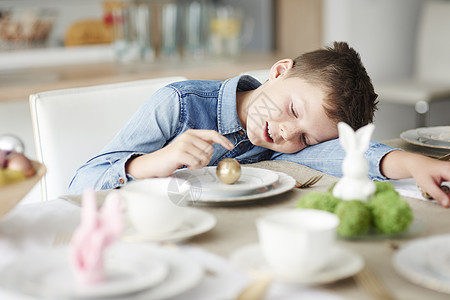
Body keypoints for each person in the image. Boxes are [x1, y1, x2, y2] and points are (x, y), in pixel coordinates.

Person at [68, 42, 450, 207]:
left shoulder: (286, 141)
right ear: (280, 71)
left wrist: (417, 164)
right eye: (293, 110)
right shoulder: (179, 105)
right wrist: (151, 163)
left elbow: (350, 153)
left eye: (305, 137)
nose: (287, 133)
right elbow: (79, 185)